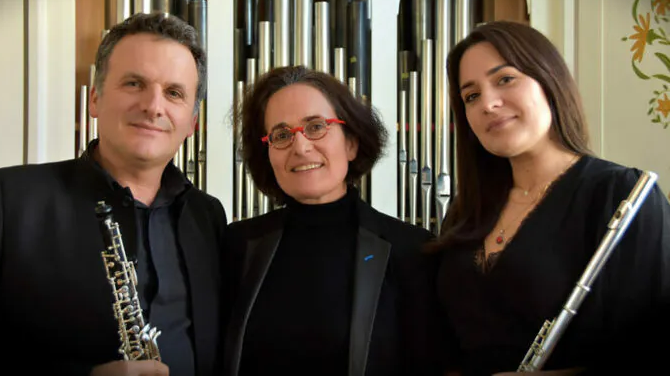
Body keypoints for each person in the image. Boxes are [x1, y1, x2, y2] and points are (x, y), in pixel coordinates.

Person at [0, 12, 227, 376]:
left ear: (192, 122)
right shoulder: (5, 199)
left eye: (174, 93)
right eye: (134, 84)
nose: (154, 106)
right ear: (94, 99)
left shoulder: (209, 216)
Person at [429, 20, 670, 376]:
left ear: (548, 80)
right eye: (471, 96)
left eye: (505, 79)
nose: (489, 104)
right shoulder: (465, 210)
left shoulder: (622, 194)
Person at [220, 66, 442, 376]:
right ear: (267, 155)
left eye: (316, 127)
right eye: (281, 135)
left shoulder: (411, 250)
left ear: (351, 143)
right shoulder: (237, 245)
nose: (300, 146)